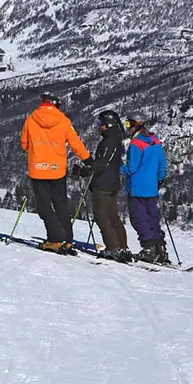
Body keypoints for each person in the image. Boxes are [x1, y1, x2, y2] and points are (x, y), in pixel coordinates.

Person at [20, 92, 92, 255]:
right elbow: (76, 143)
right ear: (56, 104)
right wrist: (87, 160)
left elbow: (24, 144)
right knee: (61, 204)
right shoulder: (64, 121)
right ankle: (67, 239)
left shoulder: (31, 120)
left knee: (43, 205)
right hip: (57, 169)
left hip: (37, 169)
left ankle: (54, 238)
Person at [120, 112, 169, 263]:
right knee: (152, 217)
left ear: (136, 125)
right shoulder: (155, 141)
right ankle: (160, 248)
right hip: (151, 188)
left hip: (137, 188)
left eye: (128, 124)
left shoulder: (136, 144)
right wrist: (158, 180)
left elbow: (131, 168)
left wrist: (118, 168)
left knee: (139, 219)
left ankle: (149, 249)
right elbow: (162, 163)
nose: (127, 128)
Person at [84, 109, 133, 263]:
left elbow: (103, 164)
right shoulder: (114, 138)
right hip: (111, 182)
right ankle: (122, 247)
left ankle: (113, 248)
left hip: (104, 184)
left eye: (100, 123)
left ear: (108, 124)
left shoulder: (110, 141)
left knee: (102, 216)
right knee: (112, 216)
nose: (99, 126)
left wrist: (84, 171)